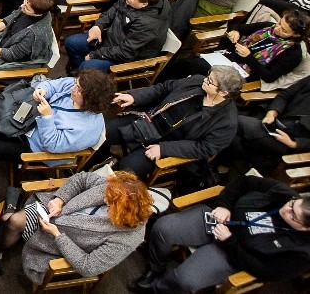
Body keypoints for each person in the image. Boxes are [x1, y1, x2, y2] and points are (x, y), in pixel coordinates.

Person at [130, 174, 310, 294]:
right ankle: (155, 268)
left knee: (184, 280)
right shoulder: (285, 195)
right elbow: (243, 182)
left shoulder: (302, 254)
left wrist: (230, 242)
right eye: (292, 204)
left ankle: (157, 288)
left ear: (304, 228)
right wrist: (225, 205)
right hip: (221, 219)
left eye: (293, 215)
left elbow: (266, 271)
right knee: (163, 228)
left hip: (234, 252)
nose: (286, 209)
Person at [0, 171, 153, 285]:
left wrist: (58, 236)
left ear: (122, 212)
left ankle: (10, 209)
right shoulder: (117, 189)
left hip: (56, 244)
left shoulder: (127, 238)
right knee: (14, 222)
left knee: (9, 222)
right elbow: (82, 179)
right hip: (53, 211)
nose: (104, 198)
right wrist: (60, 200)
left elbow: (89, 266)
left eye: (110, 202)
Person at [106, 67, 241, 180]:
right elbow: (164, 89)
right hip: (150, 120)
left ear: (223, 93)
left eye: (210, 81)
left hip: (168, 144)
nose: (205, 80)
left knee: (125, 171)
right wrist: (135, 96)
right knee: (103, 133)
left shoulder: (227, 122)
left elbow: (204, 148)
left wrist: (165, 149)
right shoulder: (197, 81)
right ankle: (101, 160)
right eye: (208, 77)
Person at [0, 71, 116, 173]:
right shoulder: (78, 85)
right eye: (75, 84)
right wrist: (43, 89)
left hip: (36, 146)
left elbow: (52, 145)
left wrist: (47, 117)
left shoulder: (87, 129)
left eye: (78, 89)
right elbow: (53, 85)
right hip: (30, 121)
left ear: (90, 99)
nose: (72, 88)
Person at [157, 9, 309, 85]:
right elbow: (239, 27)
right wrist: (236, 32)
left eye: (284, 30)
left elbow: (269, 77)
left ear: (296, 35)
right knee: (185, 65)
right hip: (229, 57)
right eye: (279, 23)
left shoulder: (292, 53)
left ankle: (166, 88)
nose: (277, 29)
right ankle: (160, 86)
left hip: (243, 74)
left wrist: (248, 57)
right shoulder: (270, 27)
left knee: (193, 68)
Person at [64, 0, 171, 74]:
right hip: (110, 39)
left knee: (86, 67)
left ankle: (84, 79)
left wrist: (95, 55)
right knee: (71, 43)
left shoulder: (149, 24)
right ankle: (79, 76)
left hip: (125, 57)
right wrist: (99, 25)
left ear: (144, 4)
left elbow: (126, 52)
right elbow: (114, 9)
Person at [229, 75, 310, 174]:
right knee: (234, 135)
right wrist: (272, 113)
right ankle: (237, 167)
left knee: (236, 122)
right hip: (274, 119)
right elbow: (285, 95)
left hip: (289, 139)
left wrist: (295, 144)